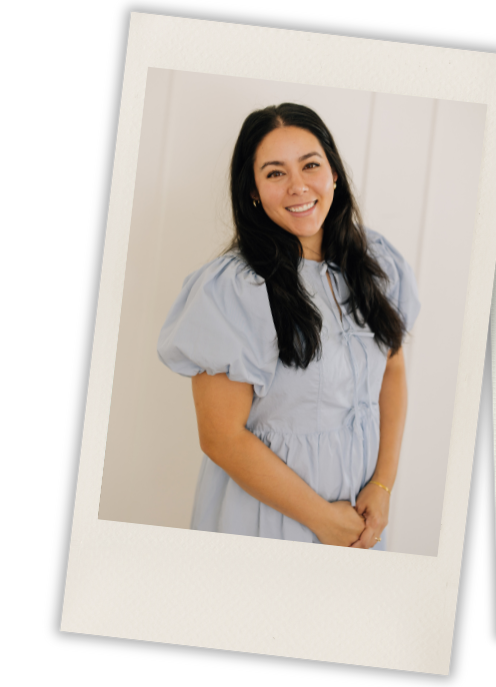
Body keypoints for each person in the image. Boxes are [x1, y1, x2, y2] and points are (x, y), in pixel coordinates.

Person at [157, 103, 419, 550]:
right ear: (254, 191)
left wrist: (383, 485)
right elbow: (220, 437)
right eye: (275, 173)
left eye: (311, 165)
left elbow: (391, 370)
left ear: (333, 173)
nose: (298, 186)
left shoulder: (374, 263)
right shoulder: (234, 289)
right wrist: (322, 520)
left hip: (360, 519)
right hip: (265, 521)